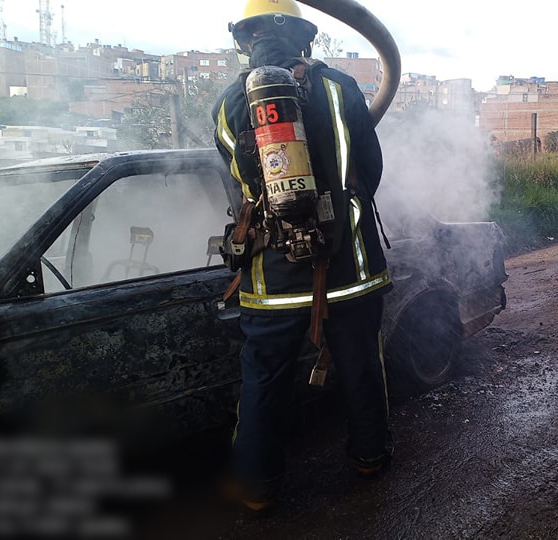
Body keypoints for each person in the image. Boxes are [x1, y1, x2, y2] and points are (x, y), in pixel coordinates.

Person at [211, 0, 394, 511]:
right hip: (349, 268)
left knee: (263, 379)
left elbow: (240, 188)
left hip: (272, 281)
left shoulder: (228, 103)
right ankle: (369, 458)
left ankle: (256, 488)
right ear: (303, 38)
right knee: (361, 364)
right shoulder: (340, 88)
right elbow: (370, 170)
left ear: (246, 41)